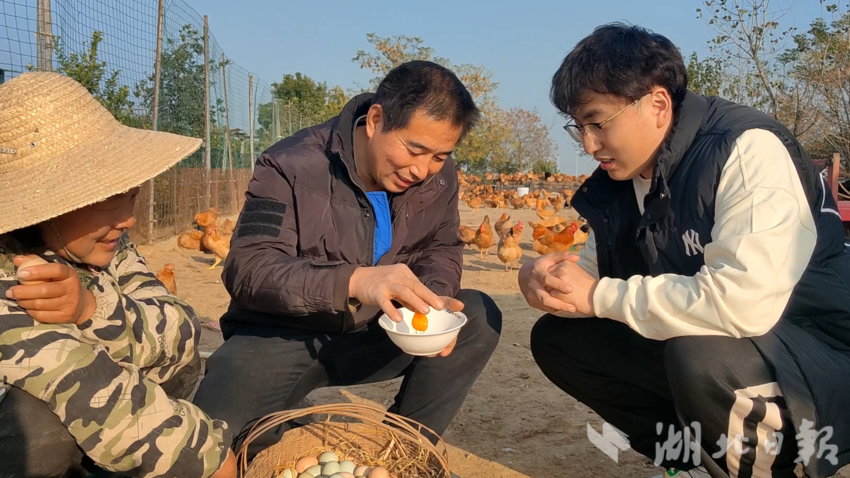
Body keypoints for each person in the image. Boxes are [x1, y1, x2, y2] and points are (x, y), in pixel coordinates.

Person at [520, 23, 850, 478]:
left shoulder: (746, 148)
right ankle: (692, 463)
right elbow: (592, 274)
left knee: (699, 357)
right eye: (579, 128)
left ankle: (772, 468)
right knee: (561, 341)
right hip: (738, 347)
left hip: (818, 352)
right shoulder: (621, 179)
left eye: (598, 123)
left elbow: (744, 303)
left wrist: (598, 297)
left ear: (657, 105)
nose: (589, 145)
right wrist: (546, 282)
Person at [193, 60, 503, 458]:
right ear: (376, 119)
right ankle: (282, 414)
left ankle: (404, 451)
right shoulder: (288, 165)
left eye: (440, 156)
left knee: (476, 315)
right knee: (212, 439)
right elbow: (249, 268)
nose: (423, 169)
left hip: (381, 329)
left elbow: (441, 246)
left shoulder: (440, 176)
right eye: (415, 149)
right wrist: (355, 282)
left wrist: (434, 300)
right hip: (283, 335)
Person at [0, 72, 236, 478]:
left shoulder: (107, 246)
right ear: (49, 204)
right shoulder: (15, 281)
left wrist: (91, 309)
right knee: (33, 429)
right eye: (109, 199)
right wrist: (207, 457)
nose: (128, 219)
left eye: (130, 196)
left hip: (136, 408)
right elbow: (89, 386)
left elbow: (182, 329)